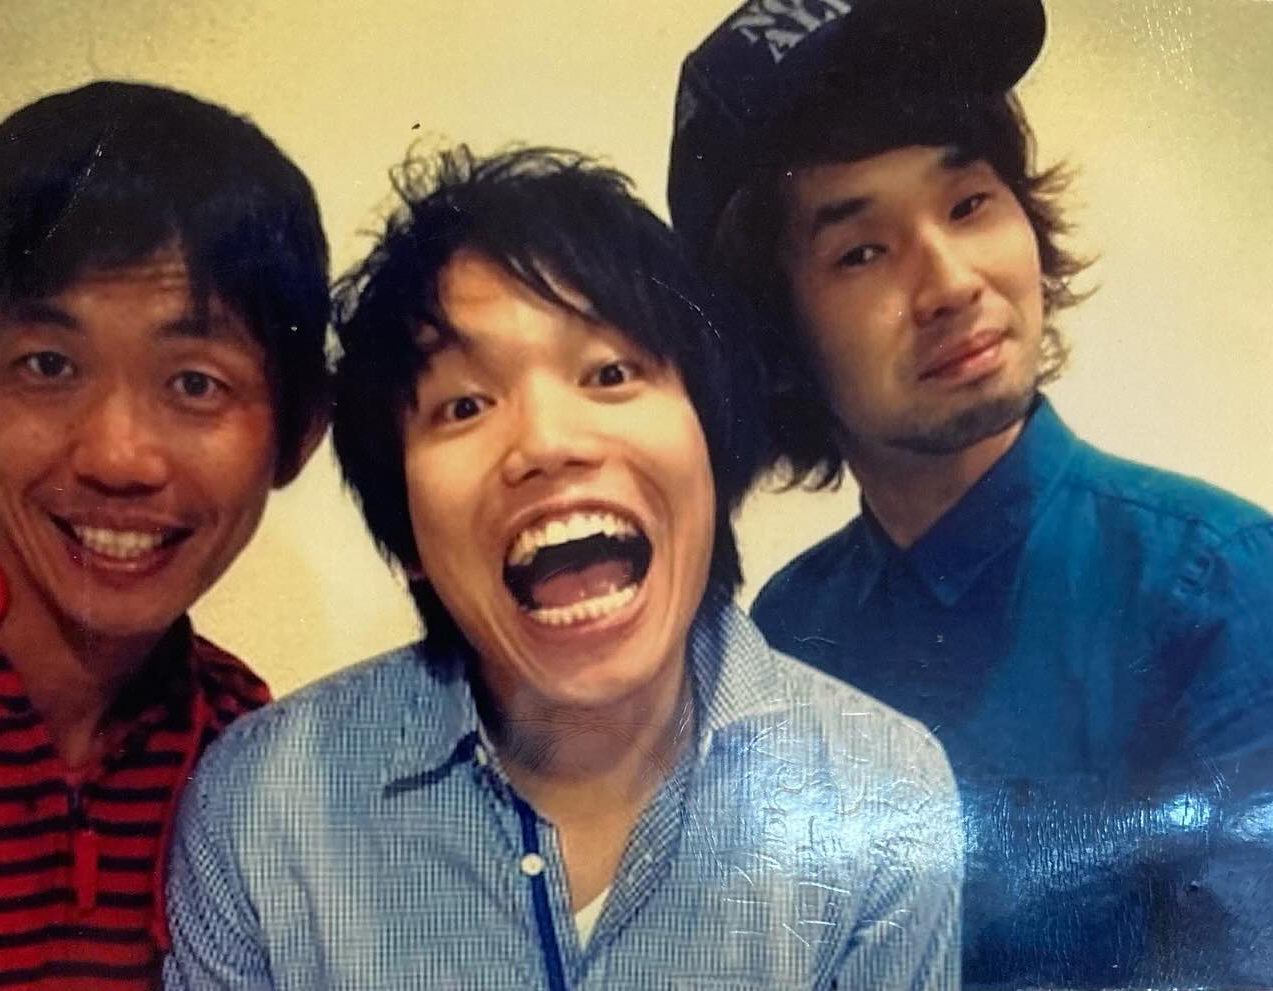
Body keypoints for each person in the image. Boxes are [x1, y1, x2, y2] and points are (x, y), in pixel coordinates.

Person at [163, 146, 962, 989]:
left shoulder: (880, 794)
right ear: (407, 536)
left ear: (711, 446)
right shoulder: (262, 808)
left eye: (610, 372)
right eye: (464, 404)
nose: (547, 443)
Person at [668, 0, 1273, 986]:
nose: (950, 282)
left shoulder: (1219, 583)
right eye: (861, 251)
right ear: (775, 335)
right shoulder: (789, 628)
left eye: (969, 205)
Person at [0, 81, 330, 990]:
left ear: (298, 434)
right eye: (49, 365)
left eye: (195, 383)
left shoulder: (236, 753)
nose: (116, 455)